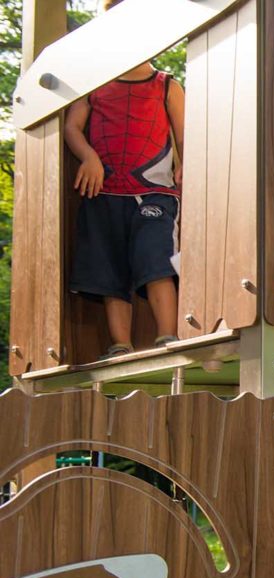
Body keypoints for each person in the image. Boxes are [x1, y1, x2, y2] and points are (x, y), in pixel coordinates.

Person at [64, 0, 183, 358]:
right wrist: (89, 157)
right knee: (109, 268)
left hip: (153, 192)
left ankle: (168, 336)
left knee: (156, 259)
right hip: (104, 191)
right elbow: (73, 126)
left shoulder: (166, 86)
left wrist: (185, 166)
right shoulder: (95, 85)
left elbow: (186, 132)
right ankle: (120, 343)